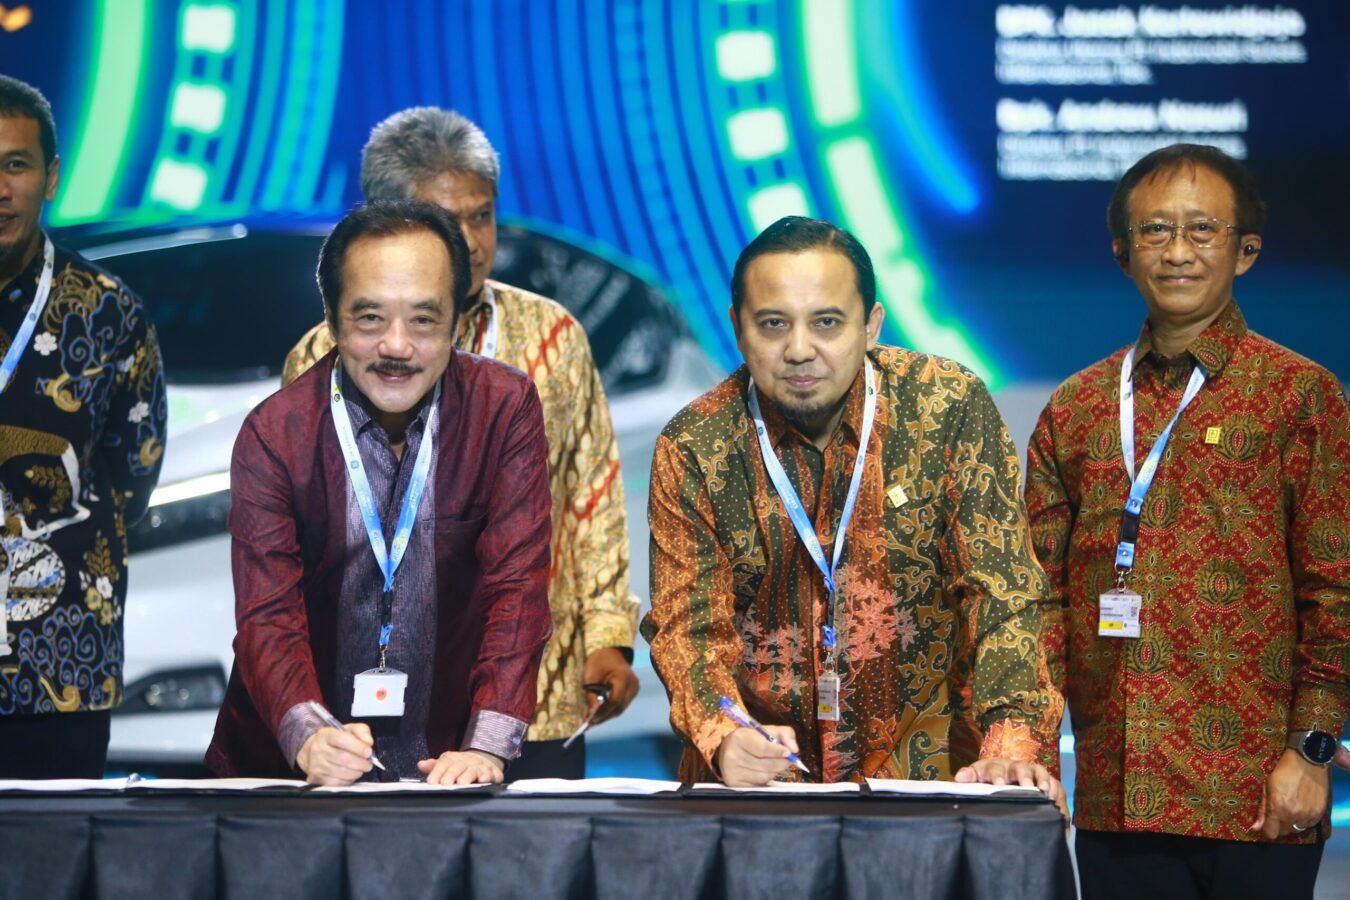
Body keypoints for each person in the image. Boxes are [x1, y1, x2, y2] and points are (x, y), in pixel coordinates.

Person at [642, 216, 1066, 803]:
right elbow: (688, 626)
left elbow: (1001, 589)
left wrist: (1012, 741)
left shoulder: (947, 406)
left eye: (826, 322)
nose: (799, 350)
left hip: (935, 776)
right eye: (773, 324)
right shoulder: (696, 444)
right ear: (738, 328)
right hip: (763, 781)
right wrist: (722, 733)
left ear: (871, 326)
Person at [1024, 144, 1350, 898]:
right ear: (1122, 252)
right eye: (1154, 231)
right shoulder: (1076, 407)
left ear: (1245, 251)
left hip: (1260, 797)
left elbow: (1336, 590)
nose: (1177, 252)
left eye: (1202, 230)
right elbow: (1038, 598)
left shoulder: (1301, 396)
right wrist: (1033, 748)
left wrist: (1311, 752)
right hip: (1117, 794)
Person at [282, 109, 638, 779]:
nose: (470, 242)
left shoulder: (553, 338)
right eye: (446, 221)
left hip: (537, 691)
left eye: (482, 216)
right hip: (373, 698)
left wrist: (607, 637)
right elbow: (305, 543)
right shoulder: (323, 357)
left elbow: (592, 500)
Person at [205, 200, 553, 785]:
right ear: (331, 317)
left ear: (457, 321)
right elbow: (268, 616)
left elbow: (517, 589)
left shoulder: (503, 409)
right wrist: (308, 734)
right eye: (370, 319)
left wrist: (487, 747)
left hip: (446, 764)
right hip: (290, 776)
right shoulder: (275, 433)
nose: (396, 346)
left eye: (423, 320)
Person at [0, 75, 166, 778]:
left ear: (51, 176)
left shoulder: (107, 311)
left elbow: (134, 473)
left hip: (61, 652)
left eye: (16, 164)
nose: (0, 188)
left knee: (56, 843)